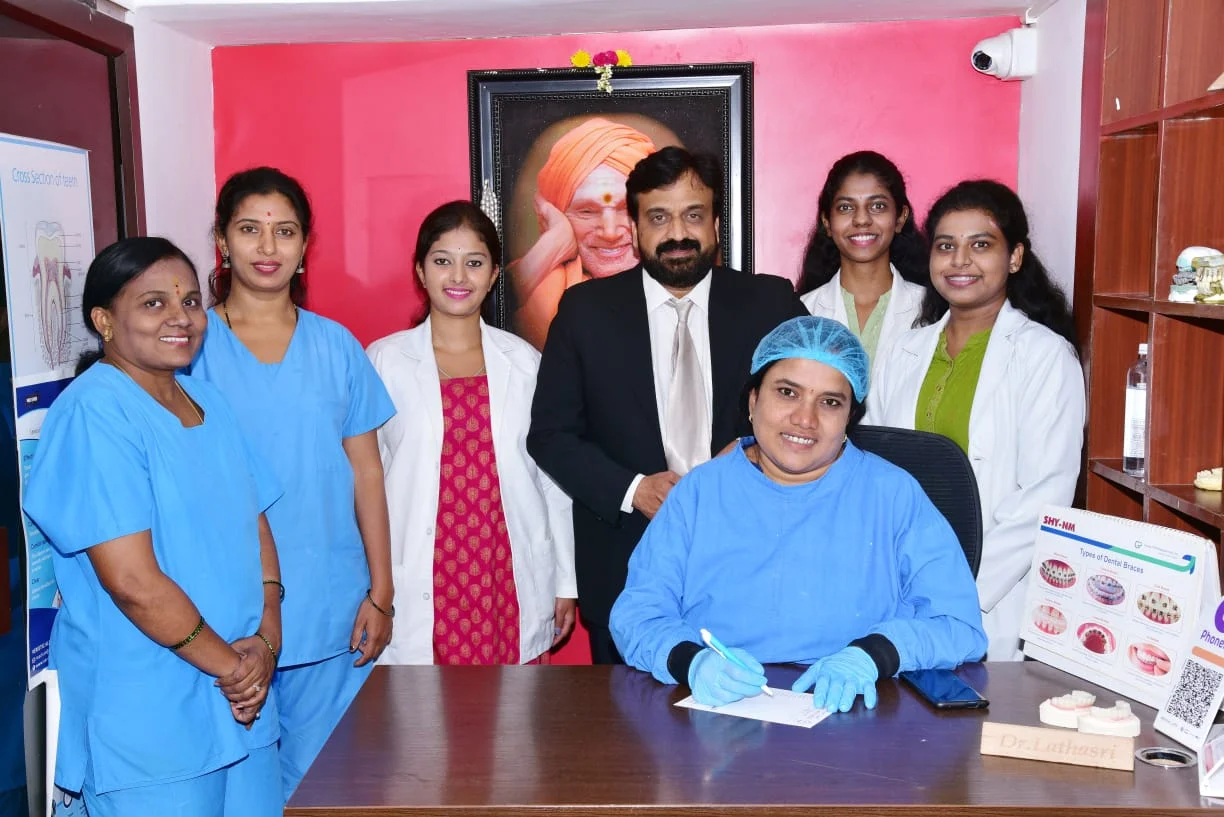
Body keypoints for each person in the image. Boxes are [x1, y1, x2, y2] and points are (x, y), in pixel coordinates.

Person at [22, 237, 284, 816]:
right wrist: (237, 669)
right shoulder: (94, 413)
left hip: (240, 701)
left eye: (190, 302)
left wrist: (268, 637)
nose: (179, 318)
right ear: (103, 321)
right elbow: (133, 583)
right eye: (153, 303)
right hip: (150, 717)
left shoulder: (207, 399)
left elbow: (256, 521)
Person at [610, 316, 986, 712]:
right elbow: (637, 614)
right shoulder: (699, 492)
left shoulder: (893, 494)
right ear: (753, 401)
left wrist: (875, 654)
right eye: (787, 392)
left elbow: (958, 626)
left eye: (830, 402)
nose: (805, 419)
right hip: (716, 710)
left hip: (857, 710)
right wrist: (691, 661)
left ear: (849, 418)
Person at [528, 146, 806, 664]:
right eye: (659, 217)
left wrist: (753, 451)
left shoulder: (771, 303)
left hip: (754, 564)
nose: (678, 233)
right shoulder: (585, 312)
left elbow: (818, 413)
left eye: (693, 215)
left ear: (716, 224)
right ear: (635, 229)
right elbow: (550, 434)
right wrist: (634, 489)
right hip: (626, 568)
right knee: (626, 716)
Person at [189, 167, 396, 799]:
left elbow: (367, 472)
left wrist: (382, 592)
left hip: (334, 607)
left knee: (327, 790)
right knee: (241, 792)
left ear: (305, 246)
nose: (267, 246)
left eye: (285, 231)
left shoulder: (337, 347)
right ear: (221, 241)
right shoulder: (188, 350)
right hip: (226, 613)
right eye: (249, 229)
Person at [868, 180, 1085, 661]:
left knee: (975, 705)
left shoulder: (1045, 356)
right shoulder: (905, 350)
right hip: (900, 583)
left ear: (1015, 257)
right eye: (946, 246)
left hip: (991, 594)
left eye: (981, 245)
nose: (959, 261)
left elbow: (1046, 495)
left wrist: (958, 589)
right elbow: (877, 468)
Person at [367, 201, 577, 665]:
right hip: (421, 569)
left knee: (513, 709)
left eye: (475, 262)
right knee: (422, 711)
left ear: (495, 273)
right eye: (443, 260)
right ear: (420, 271)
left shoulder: (526, 363)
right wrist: (372, 586)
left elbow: (552, 482)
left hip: (506, 570)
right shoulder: (383, 362)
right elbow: (366, 480)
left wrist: (565, 580)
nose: (458, 276)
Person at [511, 117, 658, 349]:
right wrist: (553, 244)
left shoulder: (683, 278)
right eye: (587, 211)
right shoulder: (539, 290)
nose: (610, 232)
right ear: (559, 214)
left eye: (627, 209)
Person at [797, 151, 927, 375]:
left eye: (877, 206)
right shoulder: (802, 312)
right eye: (846, 207)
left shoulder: (933, 310)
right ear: (827, 222)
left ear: (900, 217)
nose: (861, 219)